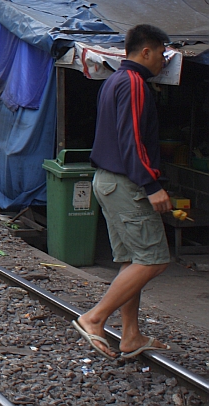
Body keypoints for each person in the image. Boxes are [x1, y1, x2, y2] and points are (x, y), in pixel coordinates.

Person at [72, 24, 173, 360]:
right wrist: (152, 185)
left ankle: (130, 335)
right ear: (146, 51)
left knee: (132, 260)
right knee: (154, 259)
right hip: (126, 184)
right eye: (161, 53)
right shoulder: (133, 83)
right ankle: (94, 317)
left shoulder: (114, 80)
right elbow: (132, 140)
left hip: (109, 180)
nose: (163, 60)